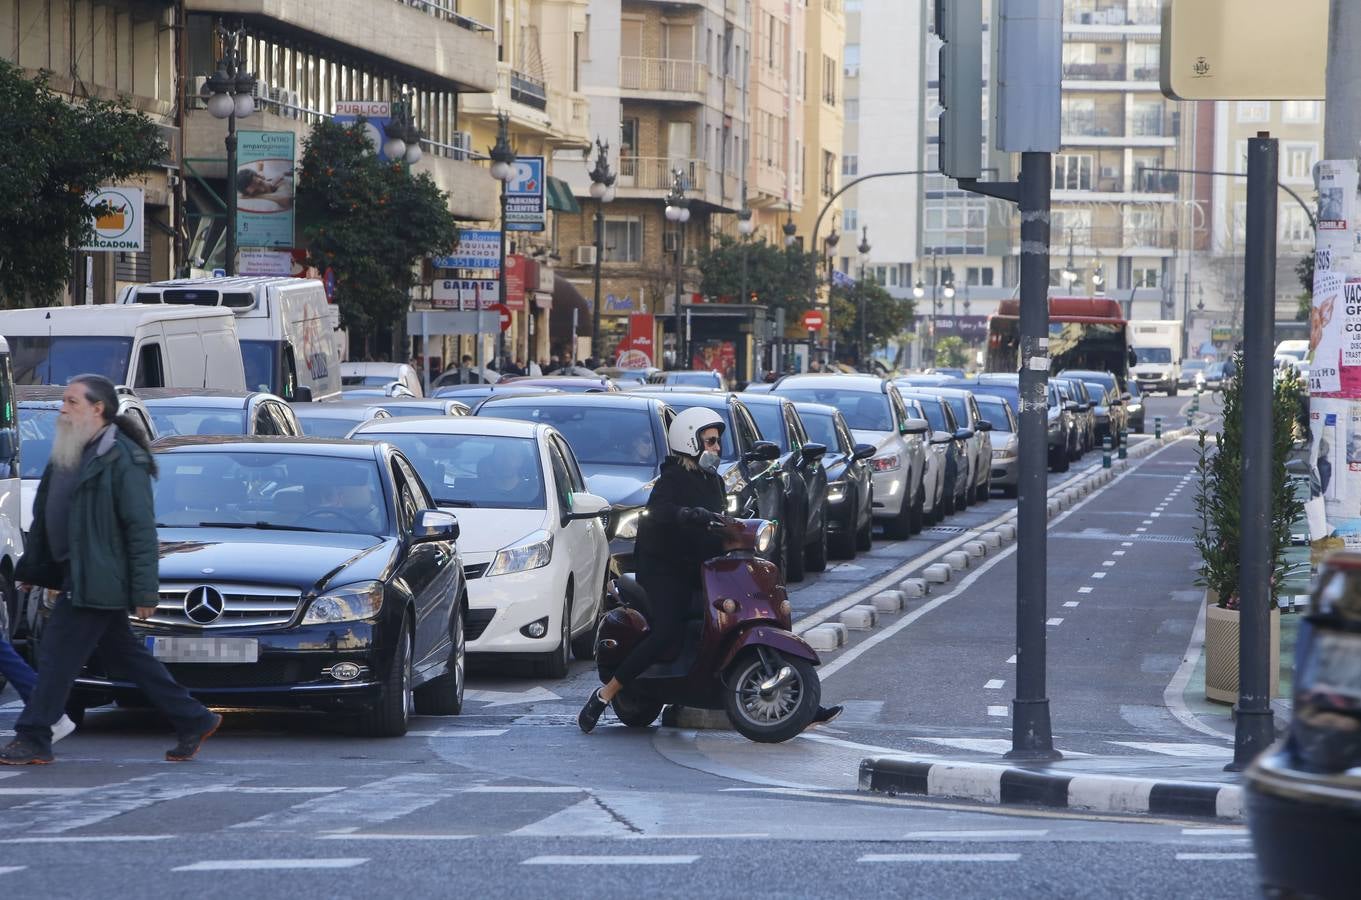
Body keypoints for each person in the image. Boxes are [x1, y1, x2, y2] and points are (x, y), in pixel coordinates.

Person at [0, 375, 222, 765]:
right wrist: (34, 568)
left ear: (97, 409)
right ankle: (193, 717)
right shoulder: (70, 451)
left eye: (71, 402)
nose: (63, 408)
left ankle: (34, 734)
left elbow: (139, 527)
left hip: (100, 577)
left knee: (56, 655)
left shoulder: (122, 459)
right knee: (127, 656)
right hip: (78, 572)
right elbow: (48, 514)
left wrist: (144, 590)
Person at [578, 408, 841, 732]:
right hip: (665, 569)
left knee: (736, 612)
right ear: (691, 442)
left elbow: (719, 515)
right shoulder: (671, 479)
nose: (717, 448)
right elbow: (659, 512)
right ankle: (605, 695)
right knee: (667, 630)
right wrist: (686, 514)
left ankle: (799, 700)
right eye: (711, 441)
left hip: (702, 567)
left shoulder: (713, 480)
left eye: (717, 442)